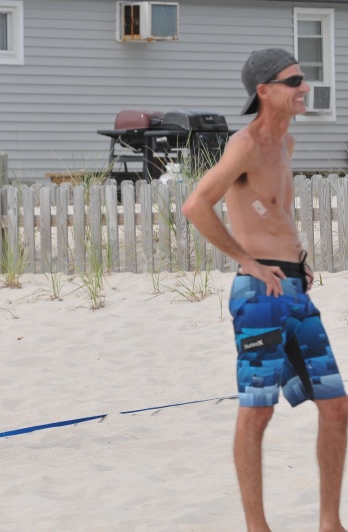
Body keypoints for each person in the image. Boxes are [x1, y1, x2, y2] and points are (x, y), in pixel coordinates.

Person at [182, 48, 348, 531]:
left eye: (303, 79)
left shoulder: (286, 144)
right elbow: (196, 205)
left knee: (336, 407)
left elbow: (271, 212)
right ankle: (258, 527)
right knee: (258, 412)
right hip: (259, 297)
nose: (304, 87)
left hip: (293, 289)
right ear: (264, 91)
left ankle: (330, 523)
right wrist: (246, 260)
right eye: (293, 81)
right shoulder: (247, 144)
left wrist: (298, 258)